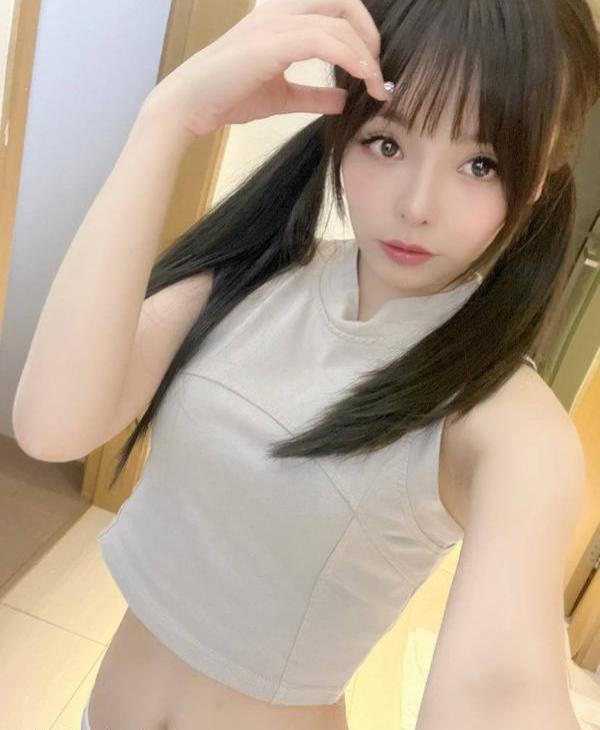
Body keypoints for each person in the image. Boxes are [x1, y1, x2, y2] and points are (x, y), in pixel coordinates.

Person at [13, 0, 600, 728]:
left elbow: (500, 689)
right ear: (343, 125)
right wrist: (167, 117)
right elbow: (52, 426)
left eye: (480, 164)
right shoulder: (256, 275)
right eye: (387, 142)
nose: (417, 205)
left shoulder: (507, 423)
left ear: (538, 177)